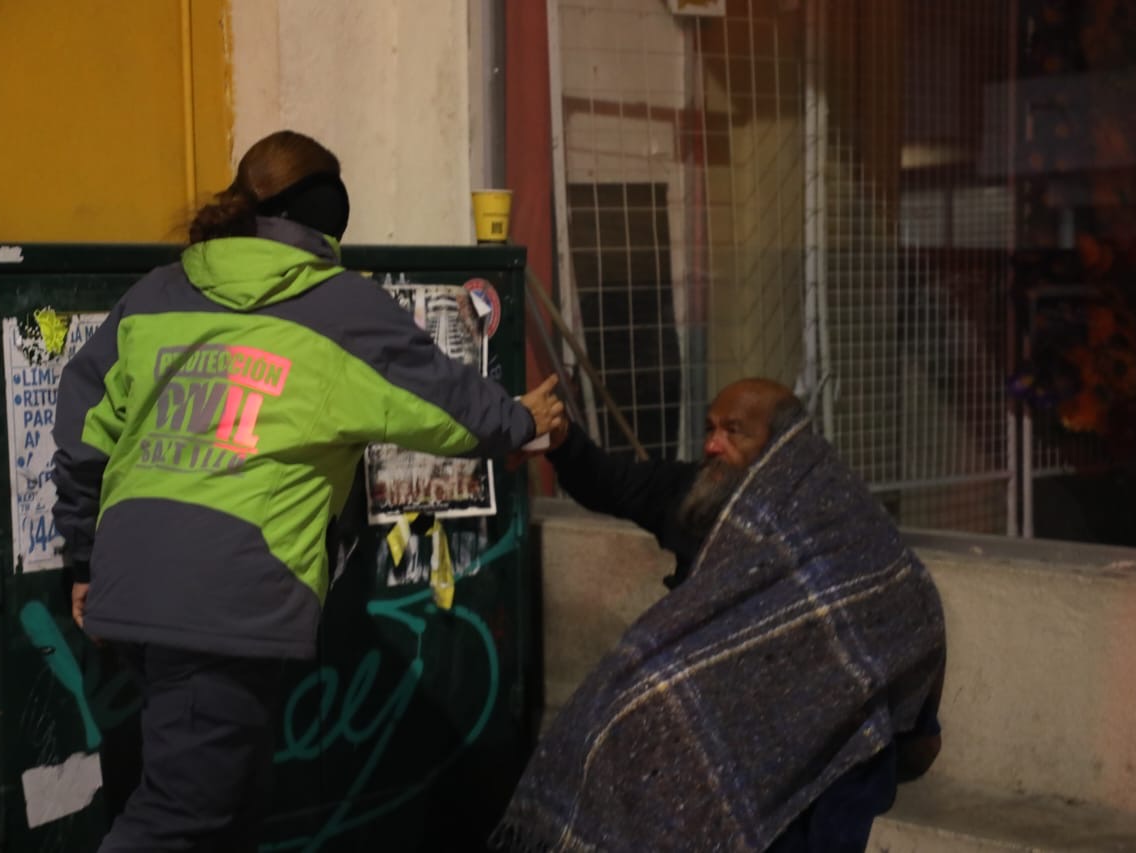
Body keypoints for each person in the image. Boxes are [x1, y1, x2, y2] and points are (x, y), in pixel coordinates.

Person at [52, 129, 565, 853]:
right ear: (327, 212)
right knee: (180, 817)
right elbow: (447, 404)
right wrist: (522, 420)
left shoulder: (156, 293)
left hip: (136, 582)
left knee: (230, 802)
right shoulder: (340, 306)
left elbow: (83, 429)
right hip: (223, 598)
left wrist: (83, 557)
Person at [494, 378, 945, 853]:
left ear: (782, 446)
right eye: (710, 429)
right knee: (602, 732)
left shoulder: (838, 523)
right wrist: (563, 442)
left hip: (805, 743)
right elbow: (612, 482)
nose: (712, 445)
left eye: (733, 431)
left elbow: (896, 612)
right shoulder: (700, 492)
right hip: (703, 713)